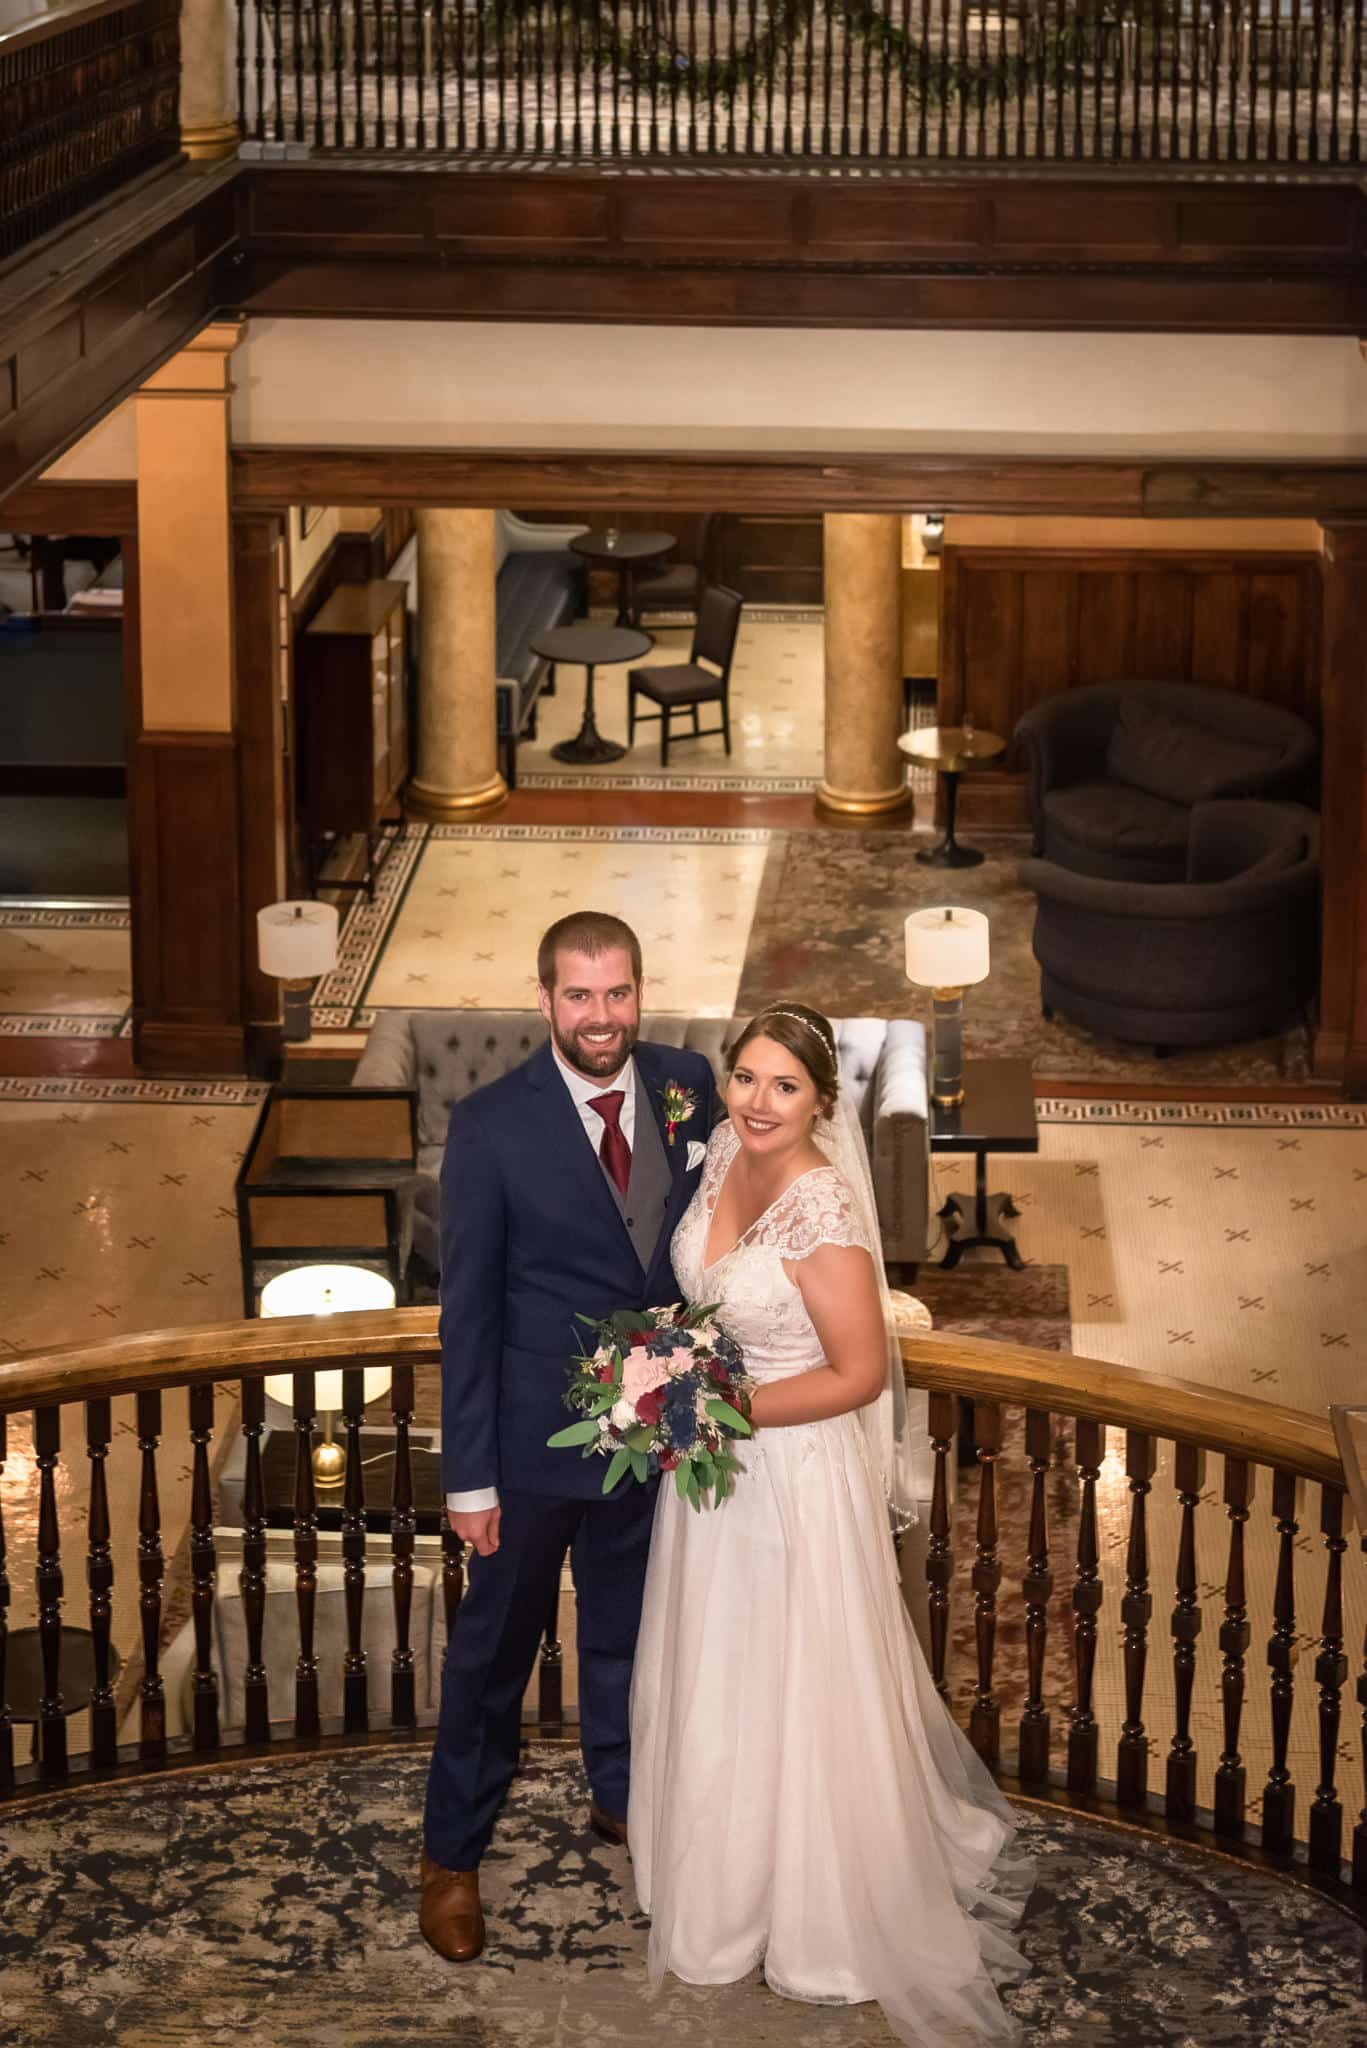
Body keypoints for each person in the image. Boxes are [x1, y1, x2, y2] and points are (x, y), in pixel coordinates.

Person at [629, 1002, 1032, 2047]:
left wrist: (709, 1400)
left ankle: (815, 1913)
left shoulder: (827, 1212)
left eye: (783, 1086)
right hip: (710, 1466)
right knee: (719, 1663)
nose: (756, 1103)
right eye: (744, 1077)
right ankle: (720, 1888)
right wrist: (672, 1358)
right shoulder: (719, 1148)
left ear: (821, 1100)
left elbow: (854, 1376)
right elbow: (707, 1293)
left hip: (788, 1468)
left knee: (791, 1672)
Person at [419, 910, 717, 1964]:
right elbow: (468, 1315)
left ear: (642, 991)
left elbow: (695, 1249)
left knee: (631, 1637)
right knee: (492, 1657)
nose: (602, 1015)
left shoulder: (687, 1081)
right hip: (527, 1448)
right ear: (543, 999)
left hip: (657, 1430)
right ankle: (451, 1854)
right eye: (580, 994)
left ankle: (621, 1797)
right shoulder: (490, 1125)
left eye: (619, 991)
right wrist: (468, 1479)